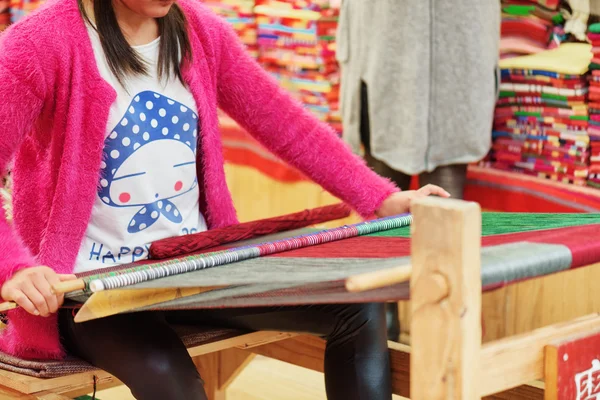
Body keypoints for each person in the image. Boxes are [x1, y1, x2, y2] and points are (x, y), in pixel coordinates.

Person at [0, 0, 449, 398]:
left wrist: (380, 198)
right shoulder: (38, 44)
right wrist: (15, 269)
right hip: (93, 290)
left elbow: (282, 122)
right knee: (168, 377)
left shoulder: (199, 30)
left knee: (357, 306)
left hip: (195, 268)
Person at [336, 0, 500, 340]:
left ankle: (445, 345)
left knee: (447, 223)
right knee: (380, 208)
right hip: (383, 47)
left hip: (460, 49)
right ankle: (377, 331)